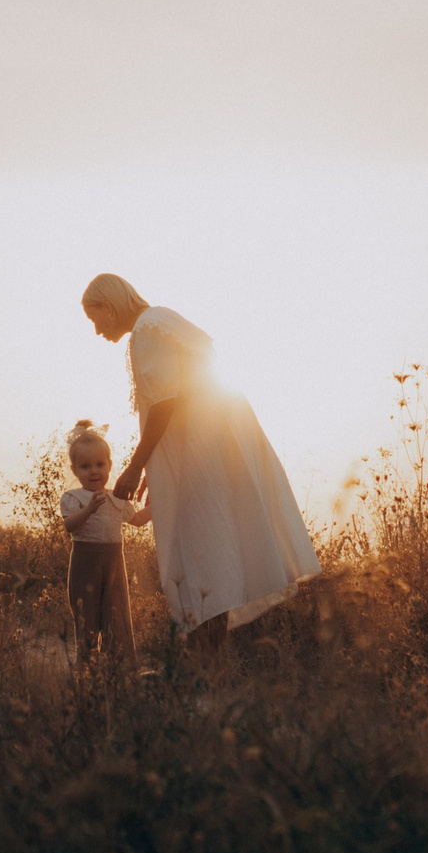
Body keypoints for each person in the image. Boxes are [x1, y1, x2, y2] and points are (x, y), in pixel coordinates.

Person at [82, 274, 318, 649]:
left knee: (196, 556)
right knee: (210, 552)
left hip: (199, 457)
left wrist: (136, 466)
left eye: (94, 320)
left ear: (108, 307)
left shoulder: (147, 330)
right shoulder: (159, 320)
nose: (96, 331)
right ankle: (209, 664)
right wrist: (159, 464)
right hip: (207, 448)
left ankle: (203, 665)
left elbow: (165, 404)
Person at [57, 420, 150, 665]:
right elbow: (69, 525)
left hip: (114, 564)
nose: (94, 471)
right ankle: (87, 670)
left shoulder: (116, 498)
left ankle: (120, 670)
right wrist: (89, 509)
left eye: (100, 464)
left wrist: (156, 506)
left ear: (109, 464)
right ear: (74, 470)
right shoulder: (73, 497)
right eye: (85, 466)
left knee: (116, 615)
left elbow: (137, 520)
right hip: (85, 564)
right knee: (86, 617)